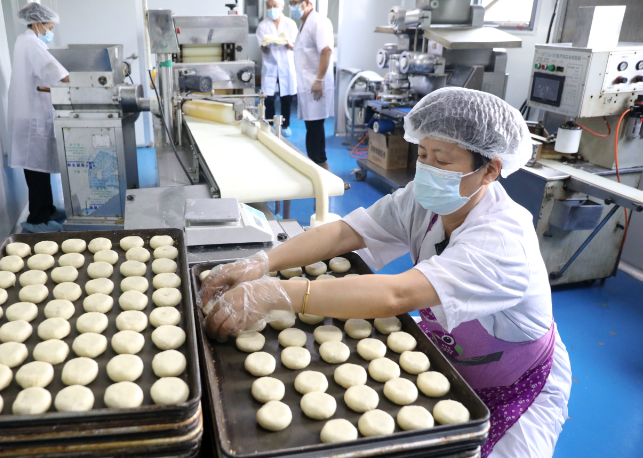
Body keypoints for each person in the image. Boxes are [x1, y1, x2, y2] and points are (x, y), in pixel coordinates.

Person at [200, 88, 571, 458]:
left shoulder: (504, 241)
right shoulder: (424, 202)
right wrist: (264, 262)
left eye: (441, 161)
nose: (426, 169)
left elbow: (399, 295)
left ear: (490, 169)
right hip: (448, 357)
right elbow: (347, 232)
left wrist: (279, 294)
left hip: (519, 384)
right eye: (422, 154)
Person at [7, 2, 70, 233]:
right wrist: (82, 82)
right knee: (36, 170)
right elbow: (53, 70)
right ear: (37, 23)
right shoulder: (32, 44)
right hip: (31, 117)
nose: (50, 32)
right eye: (49, 27)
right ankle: (37, 219)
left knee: (40, 167)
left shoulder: (25, 41)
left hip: (32, 113)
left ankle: (48, 209)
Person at [287, 0, 334, 169]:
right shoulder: (305, 24)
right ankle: (315, 166)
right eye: (290, 3)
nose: (292, 7)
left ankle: (322, 167)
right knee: (311, 128)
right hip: (308, 85)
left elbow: (326, 51)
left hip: (316, 85)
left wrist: (319, 80)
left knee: (315, 130)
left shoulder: (318, 22)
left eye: (294, 3)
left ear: (306, 3)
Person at [255, 0, 298, 137]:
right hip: (270, 65)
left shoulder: (290, 24)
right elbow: (263, 46)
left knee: (287, 98)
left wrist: (285, 42)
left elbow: (294, 45)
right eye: (269, 6)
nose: (272, 9)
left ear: (282, 7)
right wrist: (270, 44)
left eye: (275, 6)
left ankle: (285, 126)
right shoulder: (263, 25)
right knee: (269, 98)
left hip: (286, 66)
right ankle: (270, 124)